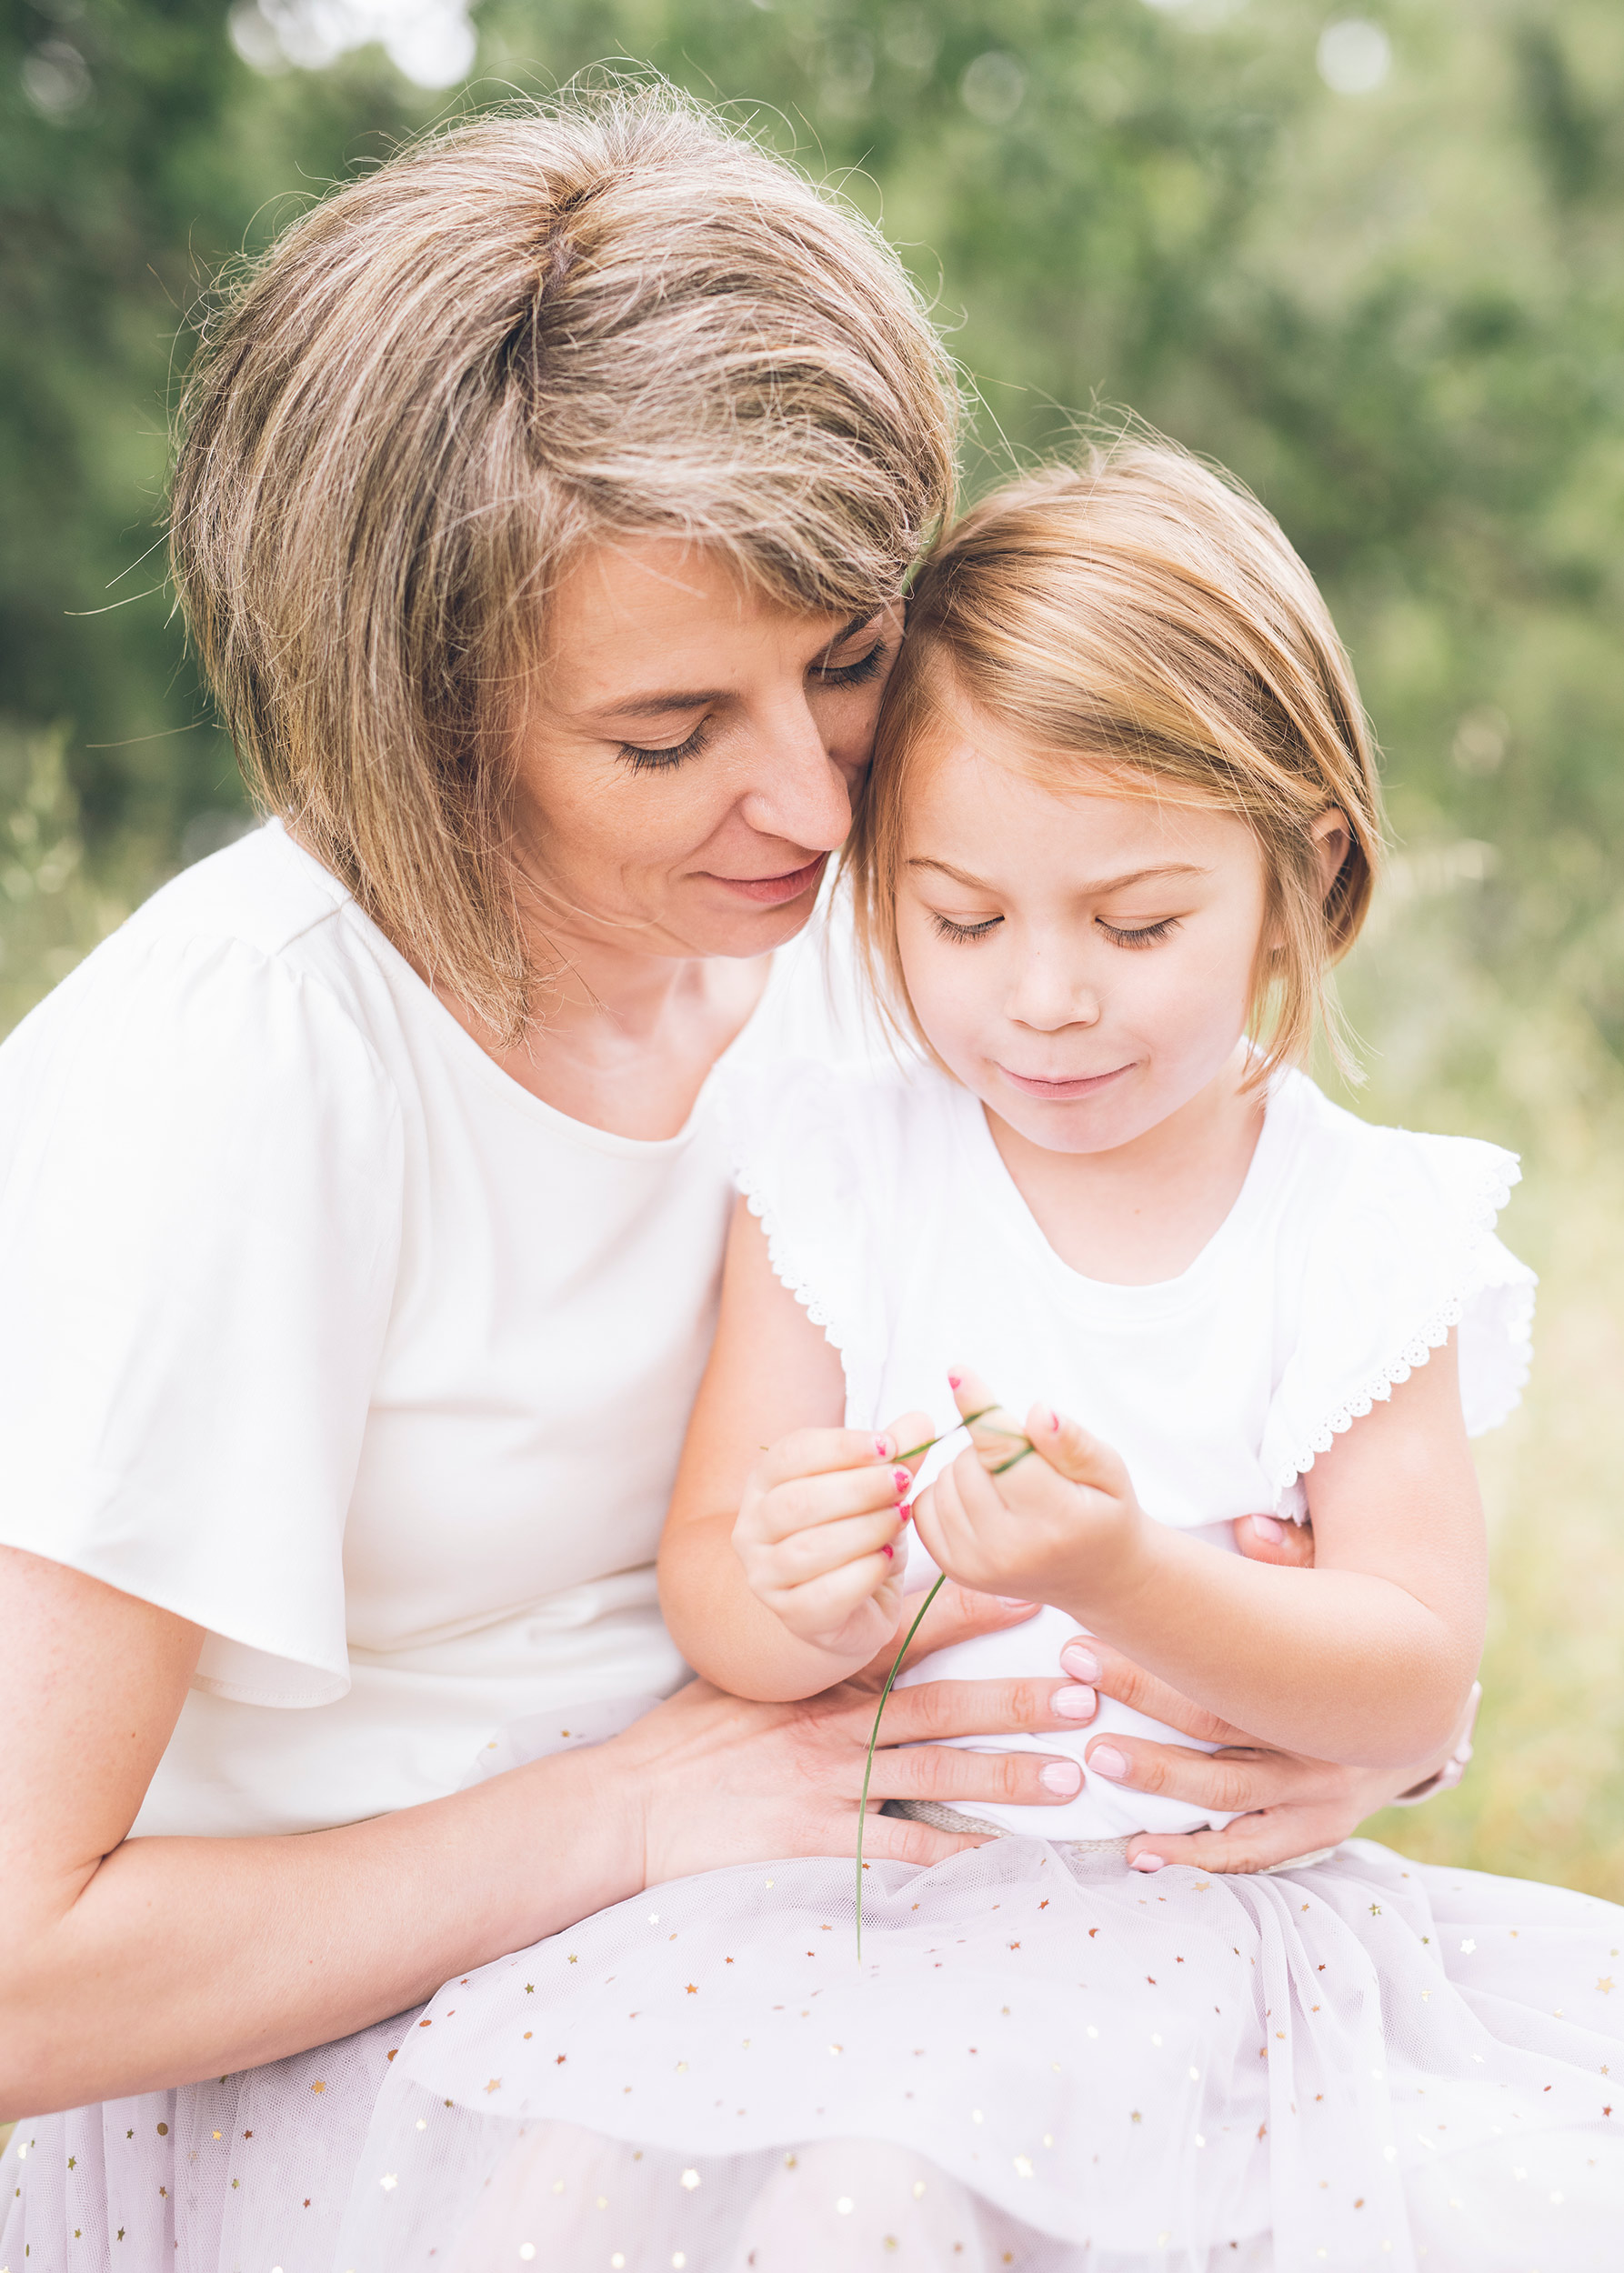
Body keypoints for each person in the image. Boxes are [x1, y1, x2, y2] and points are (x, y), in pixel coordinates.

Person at [0, 95, 1468, 2273]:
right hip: (388, 2078)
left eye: (847, 659)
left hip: (864, 1967)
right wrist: (636, 1804)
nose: (805, 796)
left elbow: (1272, 1466)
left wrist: (1294, 1739)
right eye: (667, 733)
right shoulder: (236, 1078)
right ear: (423, 715)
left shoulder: (898, 955)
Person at [341, 444, 1624, 2272]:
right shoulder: (843, 1173)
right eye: (962, 920)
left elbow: (1411, 1678)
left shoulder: (1354, 1231)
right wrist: (824, 1591)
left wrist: (1123, 1569)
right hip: (868, 1922)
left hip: (1201, 1943)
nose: (1043, 995)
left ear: (1297, 869)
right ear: (883, 893)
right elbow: (723, 1583)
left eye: (1133, 922)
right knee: (825, 2191)